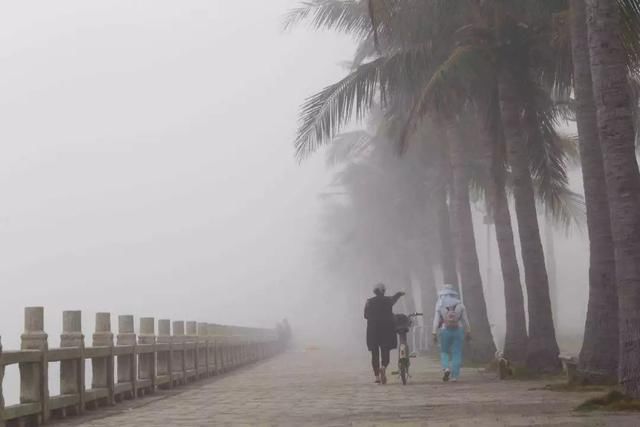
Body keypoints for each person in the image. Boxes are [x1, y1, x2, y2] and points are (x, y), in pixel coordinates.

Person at [364, 283, 404, 384]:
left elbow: (365, 315)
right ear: (383, 291)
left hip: (373, 330)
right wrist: (399, 294)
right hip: (386, 329)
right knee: (385, 350)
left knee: (374, 353)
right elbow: (394, 298)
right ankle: (383, 367)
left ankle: (377, 376)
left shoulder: (369, 301)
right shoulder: (388, 300)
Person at [432, 284, 471, 382]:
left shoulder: (439, 304)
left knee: (444, 351)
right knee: (456, 353)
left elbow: (436, 320)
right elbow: (465, 320)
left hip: (445, 331)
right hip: (458, 330)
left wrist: (434, 332)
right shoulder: (460, 304)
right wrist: (468, 331)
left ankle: (446, 368)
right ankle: (454, 376)